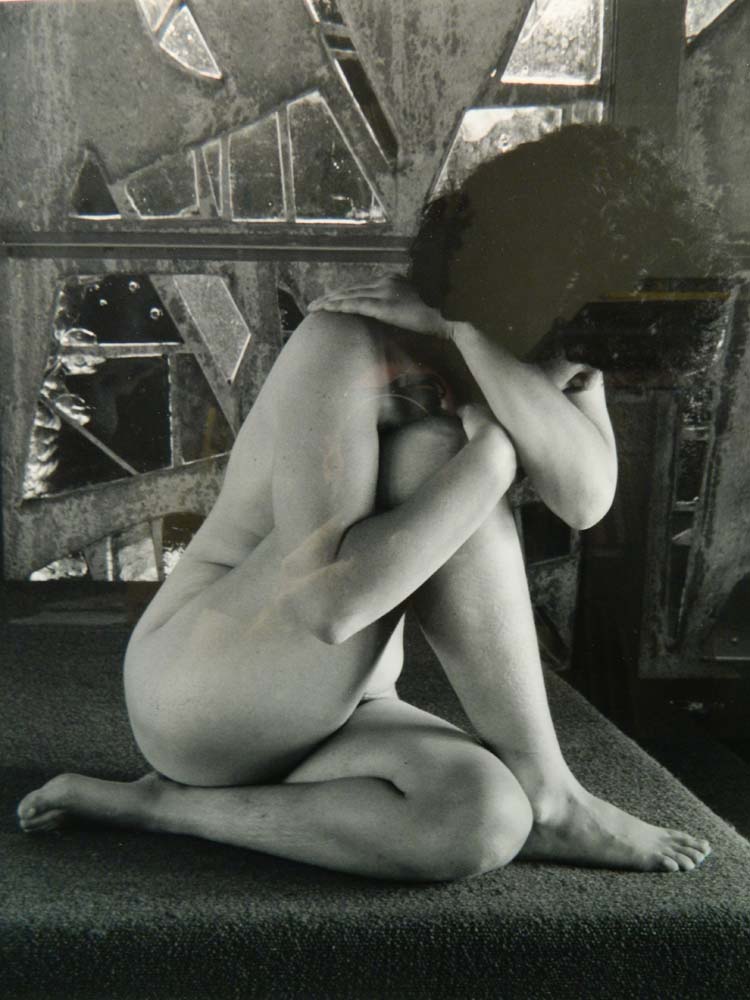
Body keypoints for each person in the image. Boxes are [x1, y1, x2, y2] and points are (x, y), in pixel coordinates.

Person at [17, 125, 723, 880]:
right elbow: (328, 606)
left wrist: (472, 346)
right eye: (574, 349)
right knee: (436, 454)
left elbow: (584, 499)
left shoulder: (548, 346)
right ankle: (553, 793)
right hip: (207, 687)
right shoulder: (350, 341)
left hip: (347, 705)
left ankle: (162, 808)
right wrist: (492, 454)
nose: (575, 373)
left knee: (482, 820)